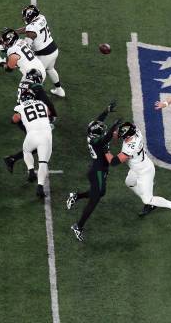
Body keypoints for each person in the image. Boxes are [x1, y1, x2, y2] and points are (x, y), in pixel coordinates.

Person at [104, 121, 171, 224]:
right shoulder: (135, 131)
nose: (119, 134)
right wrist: (115, 130)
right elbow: (127, 128)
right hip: (137, 167)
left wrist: (105, 150)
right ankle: (151, 203)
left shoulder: (131, 146)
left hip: (144, 171)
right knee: (129, 183)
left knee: (147, 200)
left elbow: (114, 162)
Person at [67, 101, 119, 242]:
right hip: (98, 172)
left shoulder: (93, 134)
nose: (103, 130)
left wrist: (106, 111)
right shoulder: (97, 141)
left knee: (101, 192)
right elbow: (107, 137)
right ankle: (78, 226)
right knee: (94, 200)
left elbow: (97, 122)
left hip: (98, 169)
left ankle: (76, 196)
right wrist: (115, 125)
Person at [3, 69, 57, 173]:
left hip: (22, 114)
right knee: (41, 145)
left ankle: (13, 159)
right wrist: (52, 116)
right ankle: (12, 159)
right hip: (29, 118)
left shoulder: (23, 82)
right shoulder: (35, 86)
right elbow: (48, 102)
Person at [11, 88, 52, 198]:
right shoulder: (41, 103)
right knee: (43, 162)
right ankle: (40, 187)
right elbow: (48, 113)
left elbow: (15, 119)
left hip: (32, 134)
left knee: (27, 151)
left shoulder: (19, 106)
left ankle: (31, 170)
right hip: (47, 135)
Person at [17, 5, 65, 97]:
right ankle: (59, 90)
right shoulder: (41, 17)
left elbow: (27, 45)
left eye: (26, 16)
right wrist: (16, 32)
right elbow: (30, 28)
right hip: (53, 49)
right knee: (50, 69)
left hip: (44, 55)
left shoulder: (31, 29)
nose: (24, 18)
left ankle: (36, 100)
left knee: (32, 79)